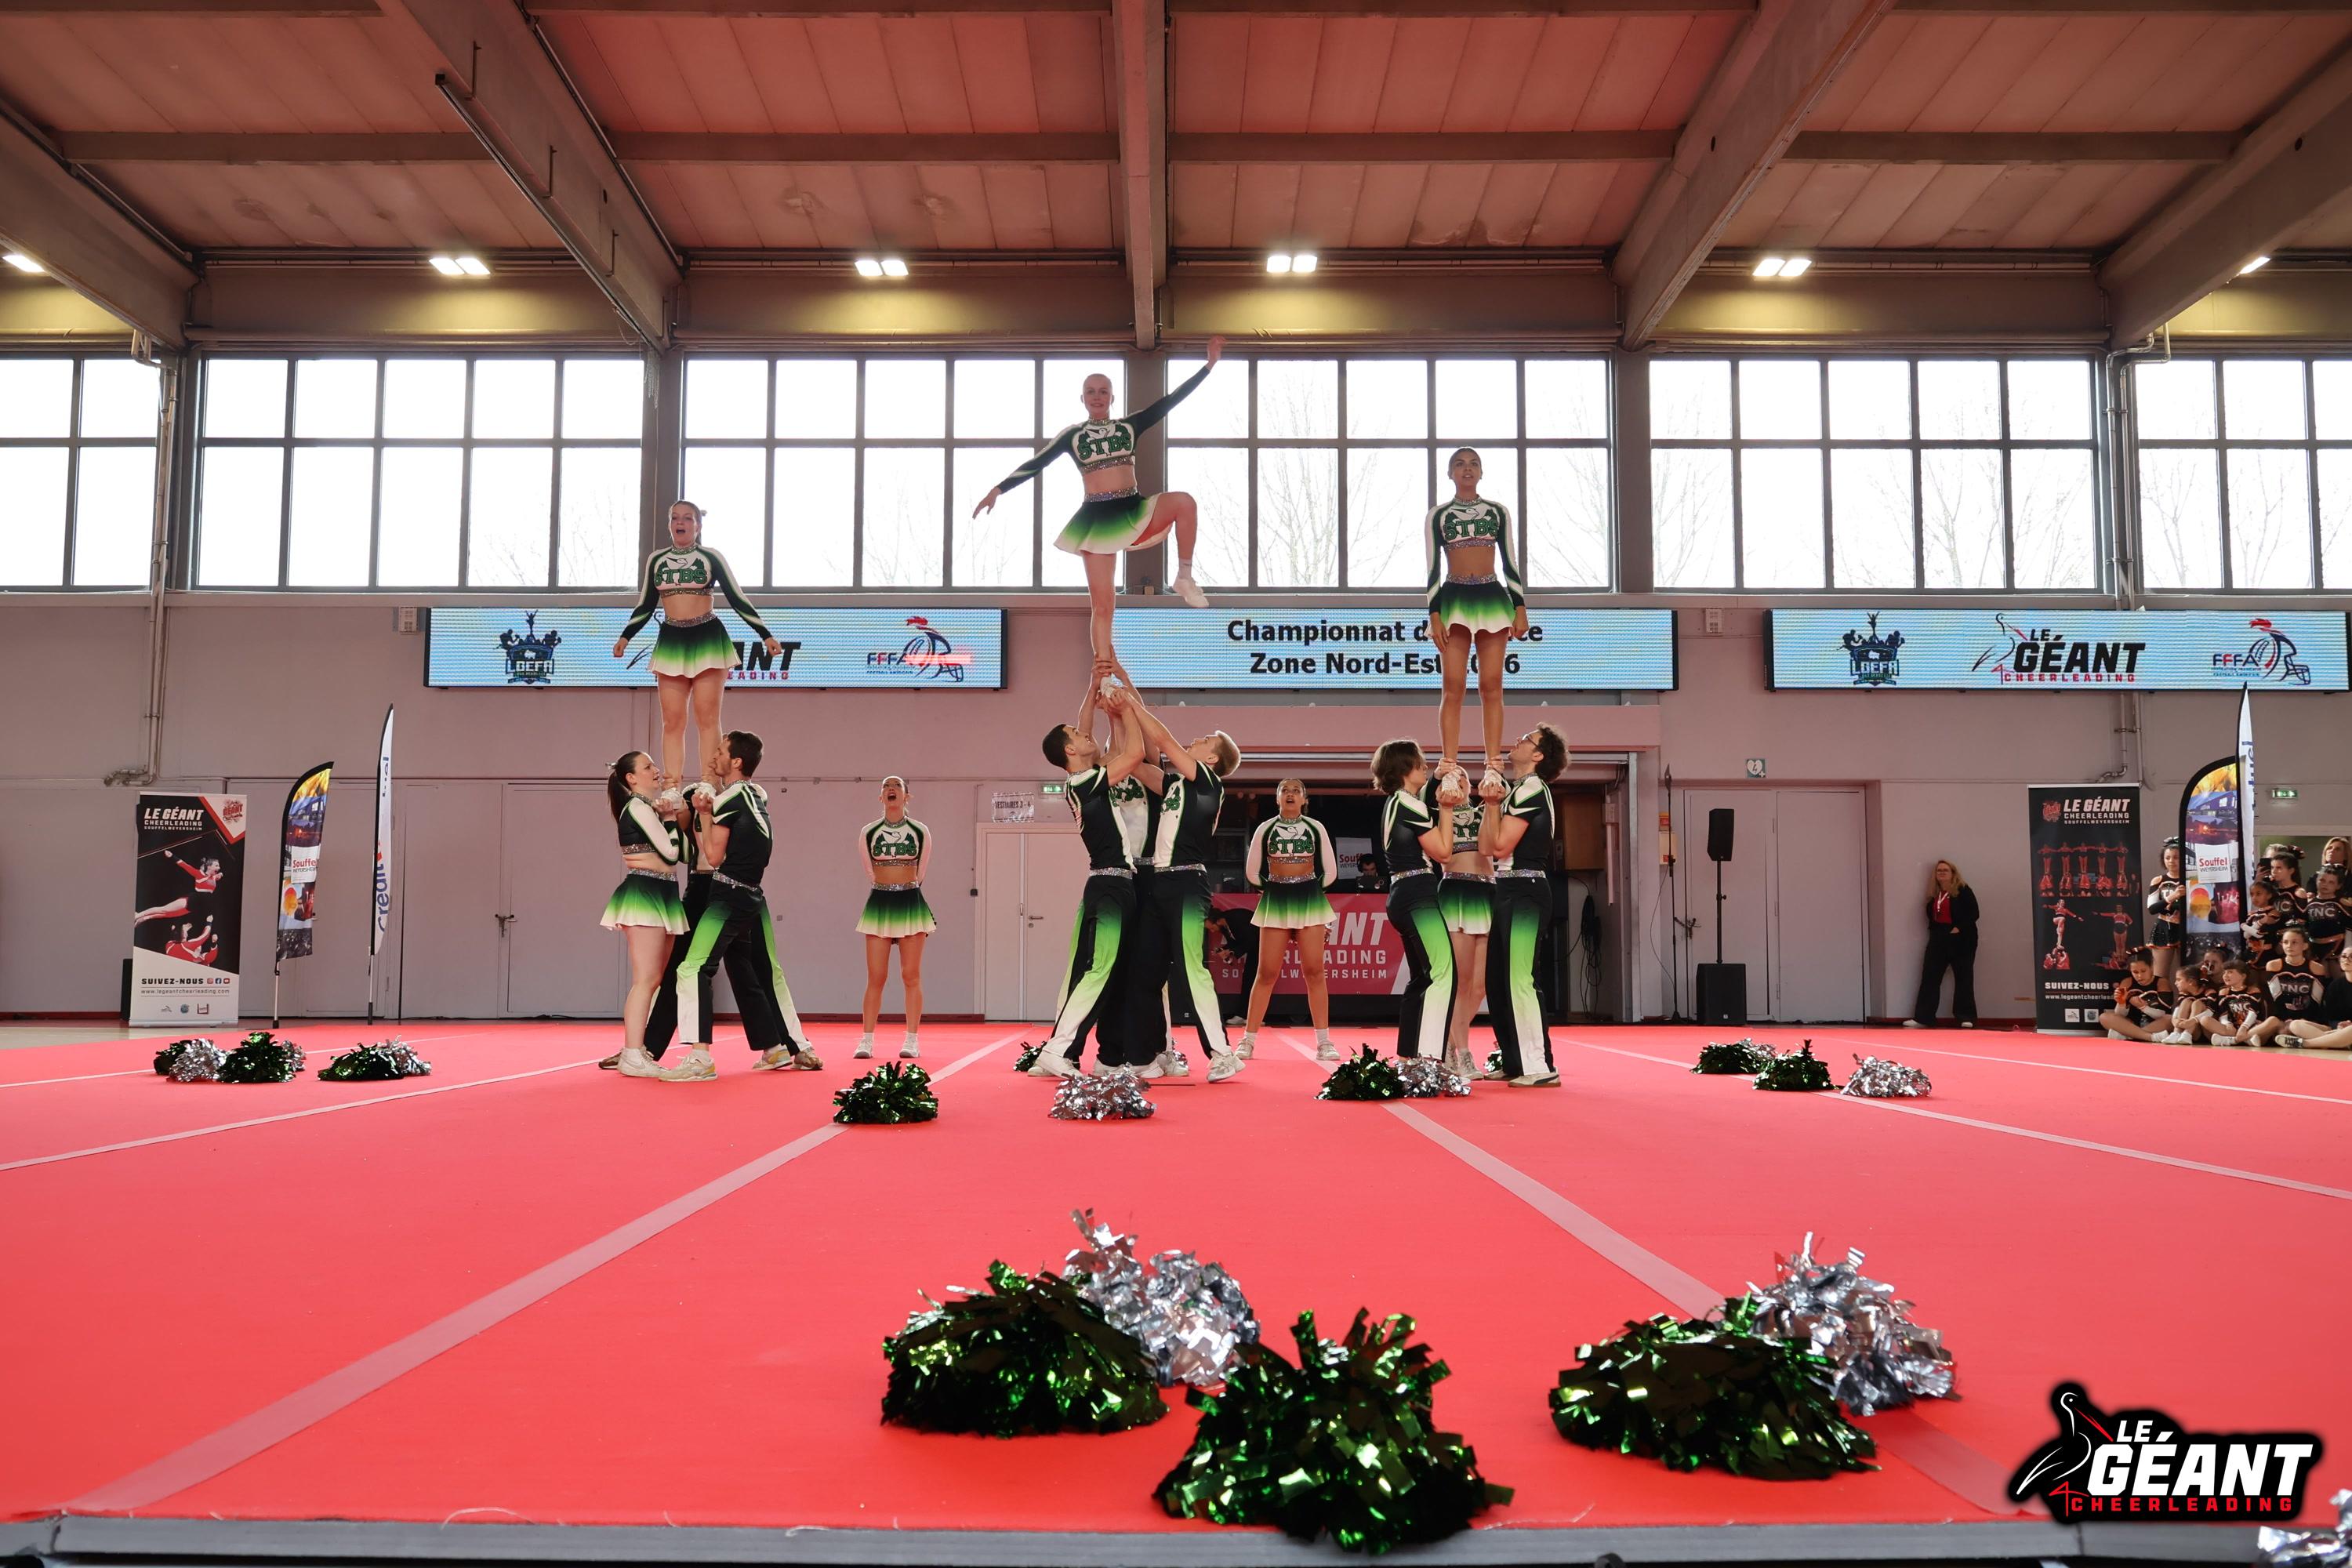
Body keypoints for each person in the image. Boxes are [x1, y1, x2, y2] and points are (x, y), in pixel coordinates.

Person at [971, 341, 1228, 673]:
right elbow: (1037, 462)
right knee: (1104, 604)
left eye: (1103, 391)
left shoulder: (1128, 426)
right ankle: (1104, 672)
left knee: (1184, 502)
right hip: (1096, 519)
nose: (1097, 396)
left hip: (1132, 509)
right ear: (1082, 399)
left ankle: (1184, 577)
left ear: (1112, 397)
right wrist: (998, 489)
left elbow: (1169, 401)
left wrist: (1209, 366)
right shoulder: (1073, 435)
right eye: (1090, 392)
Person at [622, 786, 820, 1074]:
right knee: (694, 968)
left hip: (732, 888)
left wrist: (702, 809)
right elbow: (683, 847)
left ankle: (789, 1045)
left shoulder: (733, 798)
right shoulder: (693, 804)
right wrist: (677, 814)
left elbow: (723, 847)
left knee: (752, 968)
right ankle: (646, 1047)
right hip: (708, 887)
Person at [662, 731, 819, 1082]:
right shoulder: (755, 795)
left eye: (720, 751)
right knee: (770, 971)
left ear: (736, 761)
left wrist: (703, 813)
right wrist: (708, 812)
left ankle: (700, 1059)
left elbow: (713, 856)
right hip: (754, 896)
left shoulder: (729, 798)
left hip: (728, 895)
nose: (714, 756)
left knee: (691, 969)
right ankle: (794, 1047)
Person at [613, 500, 782, 796]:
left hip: (707, 638)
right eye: (675, 518)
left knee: (707, 718)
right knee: (672, 720)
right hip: (671, 640)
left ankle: (709, 781)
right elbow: (646, 604)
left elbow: (737, 597)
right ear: (669, 524)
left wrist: (765, 634)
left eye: (688, 518)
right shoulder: (657, 560)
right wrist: (626, 636)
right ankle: (672, 786)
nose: (681, 523)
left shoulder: (710, 557)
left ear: (698, 526)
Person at [1122, 693, 1246, 1083]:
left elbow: (1163, 740)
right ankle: (1150, 1054)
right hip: (1159, 883)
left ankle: (1223, 1054)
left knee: (1193, 969)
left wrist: (1131, 705)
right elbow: (1136, 763)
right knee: (1145, 971)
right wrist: (1122, 702)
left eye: (1206, 740)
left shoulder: (1209, 781)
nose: (1196, 739)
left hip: (1188, 884)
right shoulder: (1176, 784)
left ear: (1212, 759)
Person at [1029, 682, 1147, 1077]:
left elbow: (1084, 729)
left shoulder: (1087, 777)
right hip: (1110, 886)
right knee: (1098, 971)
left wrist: (1094, 685)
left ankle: (1095, 1054)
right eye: (1078, 736)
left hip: (1114, 884)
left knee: (1104, 973)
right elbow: (1135, 754)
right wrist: (1126, 709)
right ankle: (1057, 1050)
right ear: (1070, 751)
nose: (1086, 734)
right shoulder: (1082, 782)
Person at [1426, 447, 1529, 784]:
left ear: (1481, 472)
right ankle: (1449, 761)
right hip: (1454, 598)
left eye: (1473, 464)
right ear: (1450, 473)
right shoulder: (1439, 515)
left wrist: (1520, 607)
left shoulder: (1498, 512)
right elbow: (1432, 567)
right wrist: (1434, 613)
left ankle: (1493, 762)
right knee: (1453, 684)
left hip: (1491, 597)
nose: (1467, 469)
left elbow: (1510, 561)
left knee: (1492, 684)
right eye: (1459, 464)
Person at [1479, 724, 1566, 1087]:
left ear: (1538, 755)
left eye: (1526, 740)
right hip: (1507, 887)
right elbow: (1487, 847)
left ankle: (1538, 1066)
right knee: (1497, 981)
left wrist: (1493, 805)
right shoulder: (1517, 790)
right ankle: (1515, 1061)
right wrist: (1492, 802)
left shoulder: (1531, 788)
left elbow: (1499, 846)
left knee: (1519, 979)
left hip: (1525, 889)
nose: (1516, 741)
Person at [1238, 779, 1340, 1062]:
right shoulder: (1265, 828)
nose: (1291, 794)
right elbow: (1252, 872)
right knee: (1266, 972)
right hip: (1276, 901)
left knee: (1315, 972)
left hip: (1310, 900)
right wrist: (1274, 888)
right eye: (1285, 790)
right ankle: (1248, 1040)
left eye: (1296, 791)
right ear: (1277, 798)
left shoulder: (1316, 828)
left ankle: (1324, 1042)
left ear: (1305, 799)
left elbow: (1329, 870)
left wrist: (1309, 889)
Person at [600, 750, 686, 1079]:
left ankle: (638, 1050)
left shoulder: (646, 808)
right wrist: (669, 819)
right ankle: (632, 1053)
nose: (656, 770)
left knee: (655, 979)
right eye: (648, 767)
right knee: (646, 980)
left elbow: (681, 853)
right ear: (631, 778)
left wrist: (671, 817)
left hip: (663, 892)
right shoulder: (637, 807)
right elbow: (671, 853)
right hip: (645, 893)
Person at [1372, 738, 1455, 1063]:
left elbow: (1422, 800)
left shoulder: (1398, 801)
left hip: (1403, 893)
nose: (1425, 767)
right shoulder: (1409, 804)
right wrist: (1446, 808)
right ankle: (1429, 1059)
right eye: (1420, 763)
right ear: (1405, 767)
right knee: (1443, 974)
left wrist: (1437, 779)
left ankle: (1409, 1057)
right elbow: (1443, 851)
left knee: (1422, 977)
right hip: (1418, 893)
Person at [855, 776, 932, 1062]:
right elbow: (869, 870)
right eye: (886, 786)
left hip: (910, 901)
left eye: (897, 786)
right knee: (876, 976)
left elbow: (921, 872)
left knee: (911, 975)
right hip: (880, 902)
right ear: (881, 797)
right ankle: (866, 1040)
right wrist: (886, 886)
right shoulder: (869, 831)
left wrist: (905, 886)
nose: (891, 789)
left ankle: (912, 1039)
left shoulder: (920, 830)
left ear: (906, 797)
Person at [1431, 763, 1492, 1080]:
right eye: (1453, 778)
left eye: (1464, 776)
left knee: (1480, 986)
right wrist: (1440, 783)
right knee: (1462, 981)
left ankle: (1448, 1044)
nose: (1459, 781)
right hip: (1456, 891)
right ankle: (1464, 1053)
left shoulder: (1486, 812)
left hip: (1487, 892)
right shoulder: (1438, 815)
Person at [1907, 859, 1980, 1028]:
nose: (1941, 873)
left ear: (1953, 873)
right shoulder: (1936, 894)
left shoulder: (1963, 890)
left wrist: (1958, 928)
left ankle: (1966, 1017)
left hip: (1962, 940)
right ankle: (1924, 1017)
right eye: (1939, 870)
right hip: (1939, 939)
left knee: (1964, 978)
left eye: (1945, 870)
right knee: (1930, 977)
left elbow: (1974, 913)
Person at [2249, 923, 2329, 1047]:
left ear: (2305, 946)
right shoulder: (2274, 966)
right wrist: (2285, 1021)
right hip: (2281, 1019)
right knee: (2274, 1024)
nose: (2289, 946)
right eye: (2285, 942)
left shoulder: (2317, 968)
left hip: (2306, 1020)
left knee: (2294, 1028)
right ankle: (2238, 1039)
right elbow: (2276, 999)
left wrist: (2301, 1021)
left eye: (2294, 942)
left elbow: (2316, 1001)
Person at [2096, 950, 2172, 1042]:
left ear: (2151, 967)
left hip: (2155, 1024)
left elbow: (2163, 1014)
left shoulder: (2162, 983)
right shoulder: (2127, 982)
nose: (2140, 975)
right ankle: (2150, 1037)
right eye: (2135, 972)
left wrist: (2143, 1007)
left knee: (2170, 1019)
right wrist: (2121, 1003)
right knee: (2104, 1017)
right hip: (2130, 1024)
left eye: (2143, 971)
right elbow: (2120, 1015)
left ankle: (2128, 1035)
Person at [2284, 947, 2352, 1049]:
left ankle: (2306, 1043)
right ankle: (2338, 1043)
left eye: (2351, 957)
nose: (2346, 959)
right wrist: (2338, 1025)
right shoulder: (2335, 986)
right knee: (2295, 1024)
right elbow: (2329, 1016)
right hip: (2337, 1029)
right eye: (2344, 956)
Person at [2194, 958, 2266, 1044]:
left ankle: (2233, 1041)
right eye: (2224, 972)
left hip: (2251, 1027)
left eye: (2230, 972)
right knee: (2204, 1020)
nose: (2225, 975)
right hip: (2232, 1030)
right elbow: (2223, 1015)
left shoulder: (2253, 990)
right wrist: (2227, 1024)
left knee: (2271, 1022)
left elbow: (2253, 1012)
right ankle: (2244, 1040)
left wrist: (2244, 1027)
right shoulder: (2224, 992)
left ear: (2243, 976)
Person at [2145, 837, 2185, 982]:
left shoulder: (2191, 880)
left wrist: (2169, 906)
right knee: (2160, 976)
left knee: (2187, 975)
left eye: (2176, 857)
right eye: (2167, 858)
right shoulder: (2158, 881)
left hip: (2187, 928)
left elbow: (2196, 906)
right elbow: (2152, 909)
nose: (2171, 861)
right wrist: (2172, 897)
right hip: (2164, 927)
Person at [2302, 862, 2346, 966]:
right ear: (2316, 880)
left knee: (2333, 970)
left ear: (2338, 886)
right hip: (2313, 946)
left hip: (2336, 945)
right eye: (2322, 880)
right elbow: (2305, 925)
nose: (2325, 884)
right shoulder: (2309, 904)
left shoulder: (2341, 904)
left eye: (2331, 882)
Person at [2158, 967, 2212, 1044]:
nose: (2175, 983)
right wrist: (2174, 1020)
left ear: (2191, 982)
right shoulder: (2184, 994)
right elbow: (2177, 1009)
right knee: (2186, 1001)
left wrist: (2192, 1021)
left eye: (2178, 980)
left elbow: (2211, 1012)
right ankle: (2176, 1033)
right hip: (2191, 1031)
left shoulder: (2209, 992)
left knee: (2197, 1003)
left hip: (2204, 1032)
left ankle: (2187, 1034)